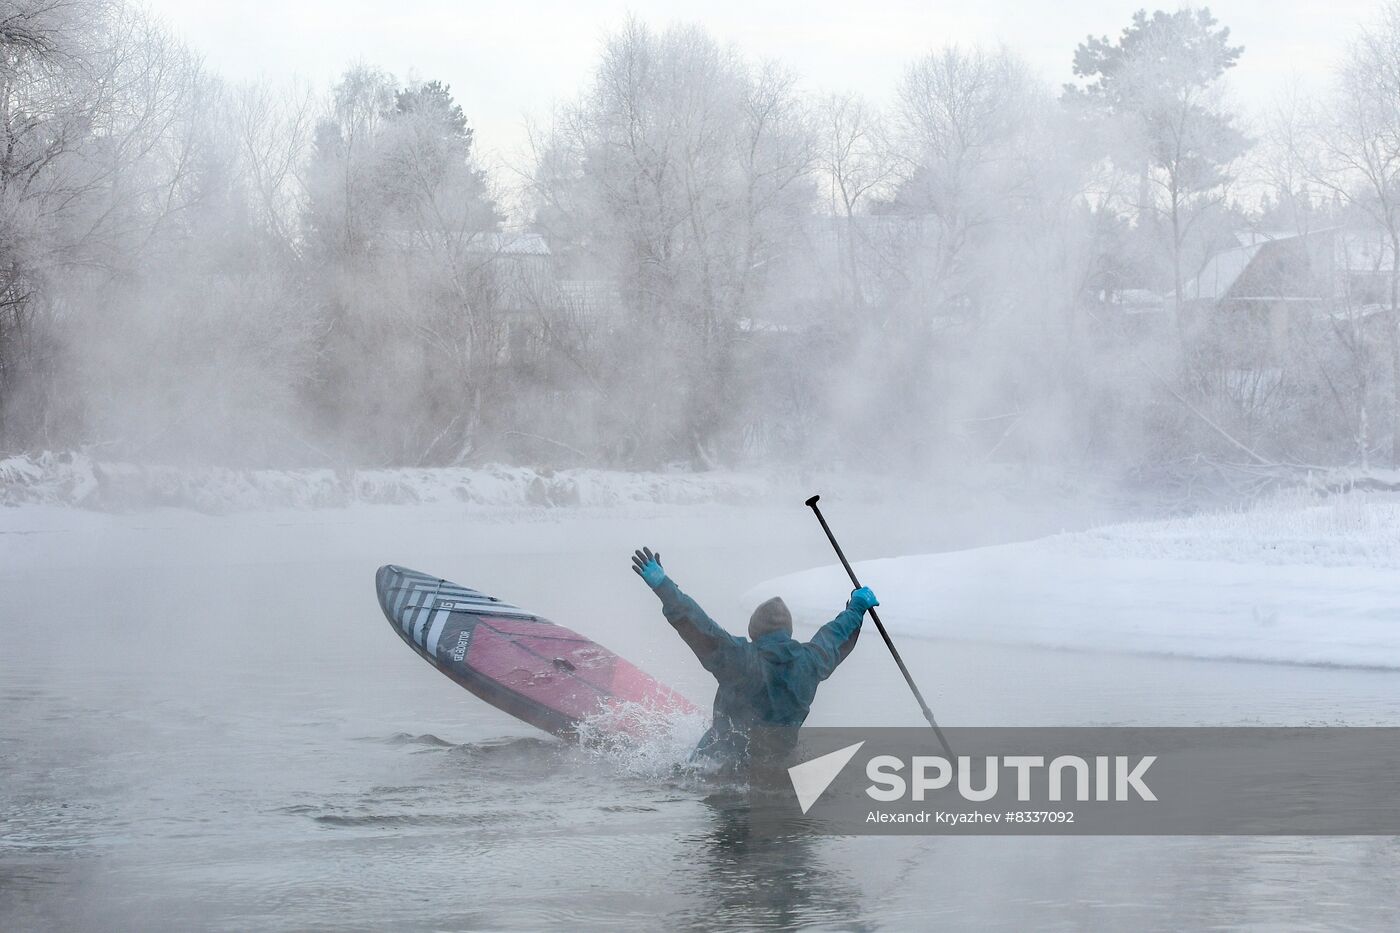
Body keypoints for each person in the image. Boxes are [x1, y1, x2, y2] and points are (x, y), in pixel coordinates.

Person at [630, 546, 879, 773]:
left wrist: (663, 586)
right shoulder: (811, 662)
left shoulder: (739, 659)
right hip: (774, 765)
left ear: (754, 631)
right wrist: (856, 608)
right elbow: (835, 636)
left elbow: (700, 625)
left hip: (719, 765)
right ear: (789, 631)